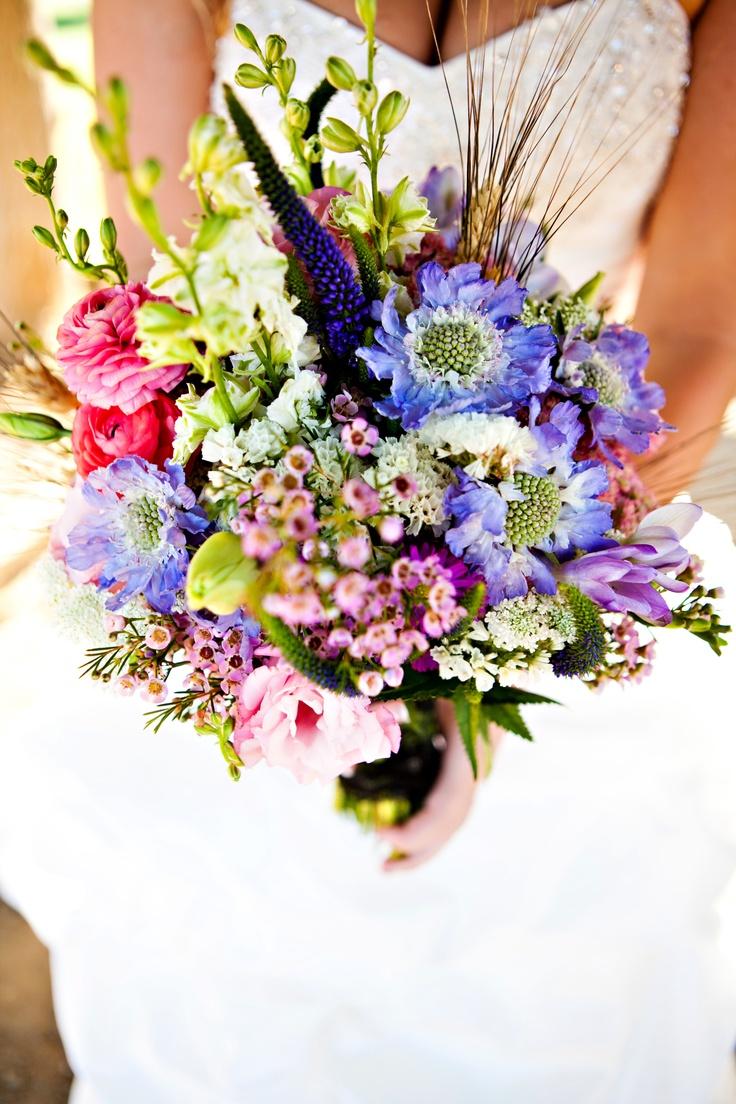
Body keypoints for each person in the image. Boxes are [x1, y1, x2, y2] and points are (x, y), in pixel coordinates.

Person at [1, 2, 735, 1100]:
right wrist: (310, 614)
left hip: (562, 534)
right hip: (260, 560)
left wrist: (484, 640)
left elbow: (694, 332)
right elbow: (171, 308)